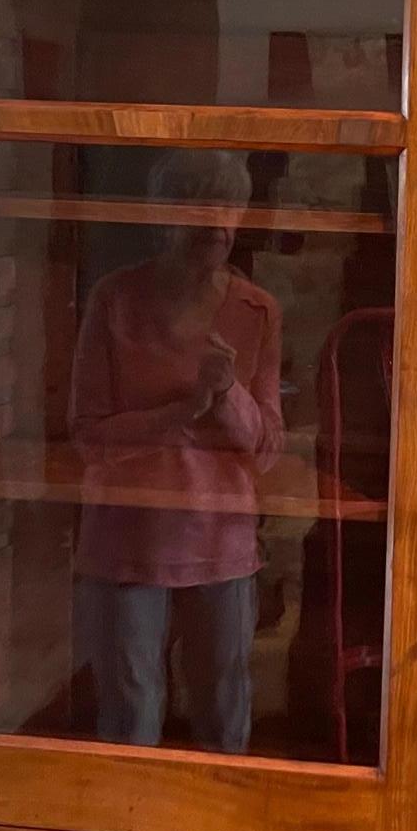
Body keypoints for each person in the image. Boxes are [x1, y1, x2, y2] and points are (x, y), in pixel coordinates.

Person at [69, 149, 284, 752]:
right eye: (200, 211)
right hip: (126, 540)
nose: (216, 228)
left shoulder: (256, 309)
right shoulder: (115, 299)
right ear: (164, 216)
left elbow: (265, 448)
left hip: (223, 541)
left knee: (224, 710)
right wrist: (181, 412)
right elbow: (88, 435)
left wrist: (227, 394)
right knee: (131, 713)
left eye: (229, 210)